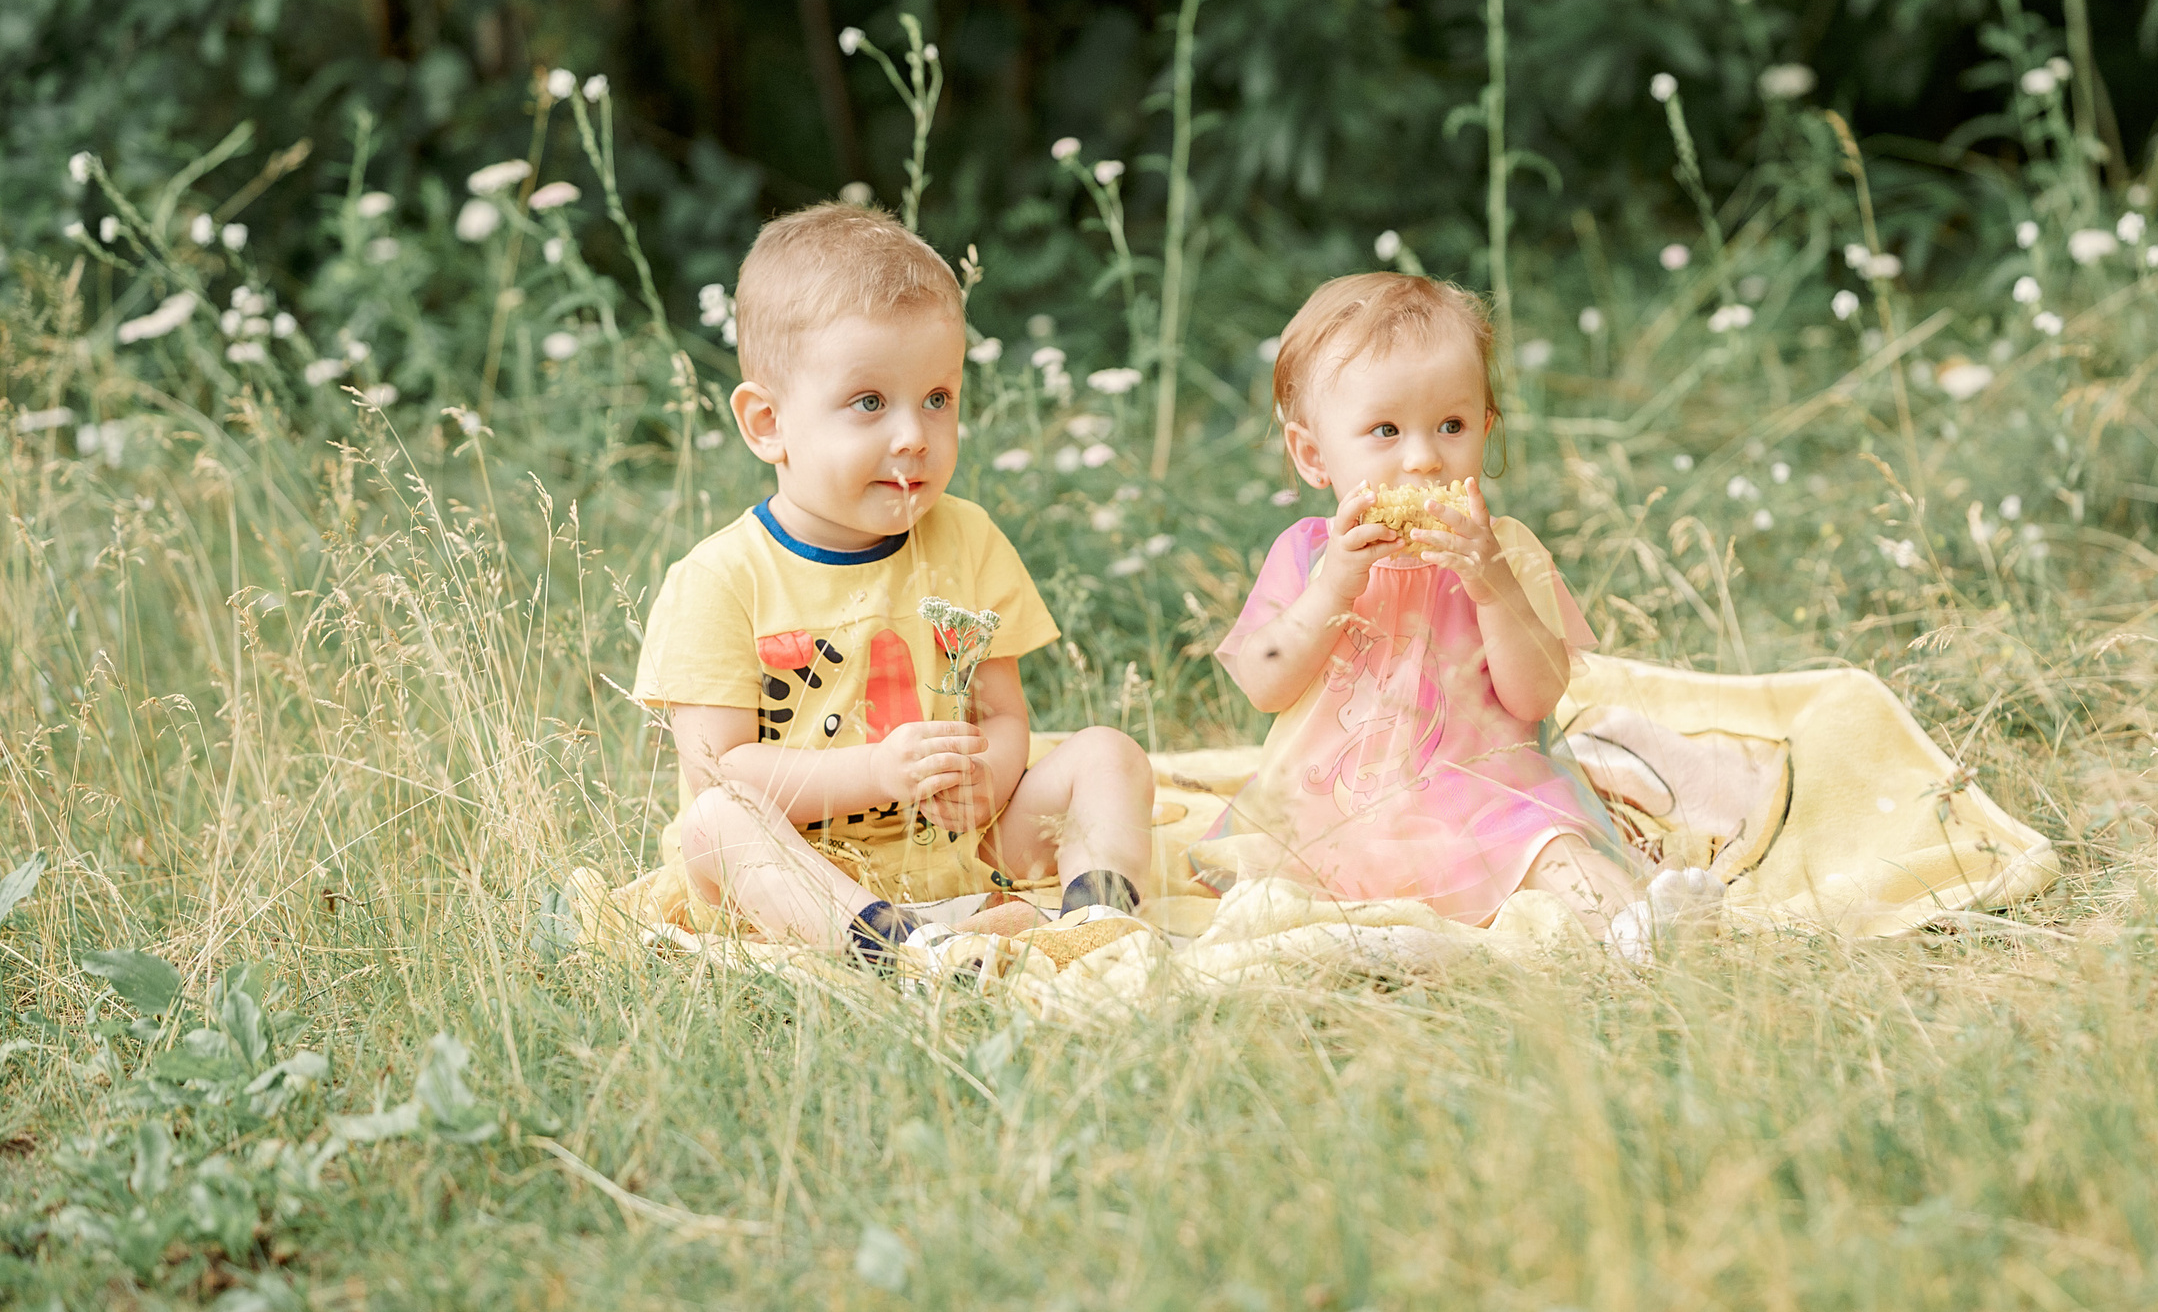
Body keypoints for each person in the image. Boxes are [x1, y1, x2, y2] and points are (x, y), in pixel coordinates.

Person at [634, 204, 1155, 966]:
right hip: (802, 878)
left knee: (1108, 753)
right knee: (717, 819)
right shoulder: (721, 580)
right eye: (870, 402)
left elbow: (1004, 713)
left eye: (938, 399)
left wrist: (989, 775)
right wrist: (876, 771)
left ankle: (1095, 927)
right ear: (768, 422)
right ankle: (896, 950)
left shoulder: (967, 537)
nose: (913, 436)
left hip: (961, 855)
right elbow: (722, 768)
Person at [1212, 272, 1714, 955]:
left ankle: (1640, 928)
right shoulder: (1308, 556)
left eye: (1451, 425)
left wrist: (1491, 583)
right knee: (1280, 886)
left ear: (1486, 427)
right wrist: (1332, 590)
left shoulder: (1505, 553)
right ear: (1313, 455)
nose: (1424, 459)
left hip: (1483, 796)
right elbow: (1263, 683)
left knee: (1551, 846)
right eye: (1385, 430)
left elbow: (1535, 696)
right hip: (1332, 807)